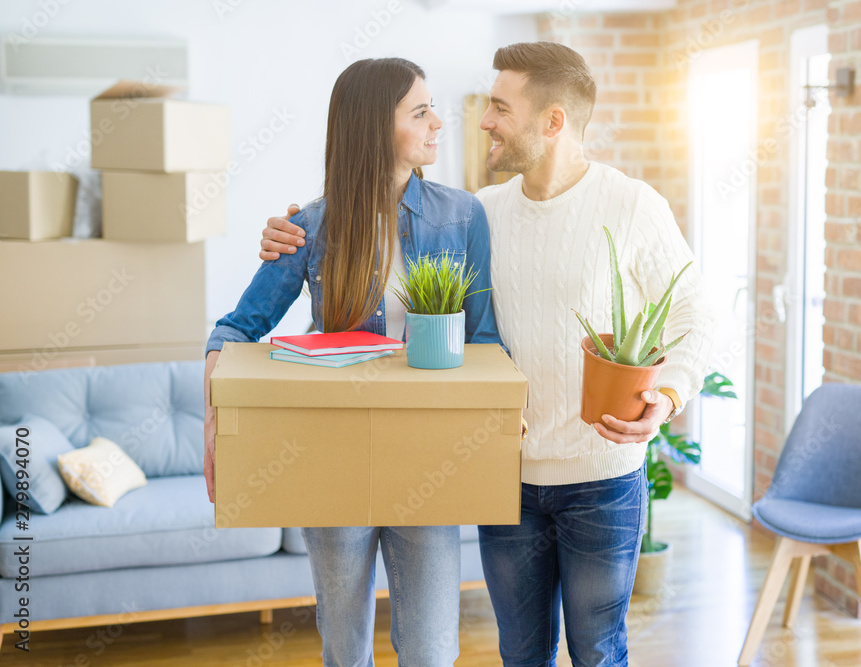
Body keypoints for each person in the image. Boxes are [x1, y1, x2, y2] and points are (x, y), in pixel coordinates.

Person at [259, 42, 714, 667]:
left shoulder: (630, 206)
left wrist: (666, 396)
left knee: (599, 651)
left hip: (601, 475)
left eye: (499, 107)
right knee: (520, 653)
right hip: (509, 476)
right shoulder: (483, 211)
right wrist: (300, 226)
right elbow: (473, 327)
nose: (480, 121)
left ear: (552, 121)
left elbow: (695, 312)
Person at [203, 57, 502, 667]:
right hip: (333, 452)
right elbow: (235, 330)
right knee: (345, 648)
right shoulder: (310, 225)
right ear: (372, 127)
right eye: (420, 111)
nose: (439, 122)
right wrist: (215, 418)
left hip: (429, 459)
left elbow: (486, 344)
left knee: (431, 649)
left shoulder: (464, 216)